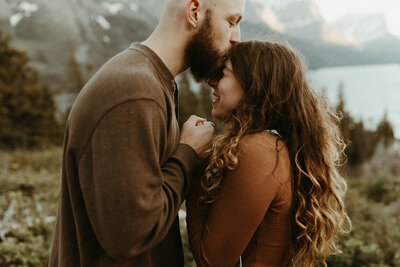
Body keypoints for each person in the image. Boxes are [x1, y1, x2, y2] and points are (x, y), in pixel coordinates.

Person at [48, 0, 245, 266]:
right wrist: (187, 155)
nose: (237, 38)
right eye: (231, 22)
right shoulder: (135, 92)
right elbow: (130, 235)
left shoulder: (149, 81)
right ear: (194, 11)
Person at [186, 40, 351, 267]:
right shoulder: (272, 146)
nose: (211, 81)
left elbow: (210, 261)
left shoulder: (260, 150)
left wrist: (193, 160)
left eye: (223, 74)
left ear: (253, 85)